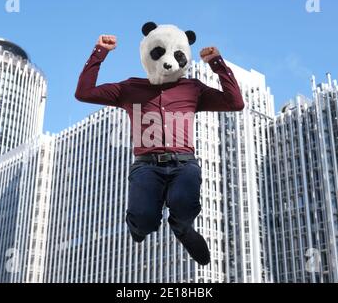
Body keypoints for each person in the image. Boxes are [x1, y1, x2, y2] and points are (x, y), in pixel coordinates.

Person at [75, 24, 244, 266]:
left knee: (184, 206)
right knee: (144, 219)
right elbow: (84, 93)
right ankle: (139, 226)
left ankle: (183, 229)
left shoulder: (192, 88)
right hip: (146, 166)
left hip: (183, 163)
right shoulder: (129, 88)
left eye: (177, 55)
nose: (168, 62)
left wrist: (217, 63)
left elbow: (235, 103)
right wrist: (99, 51)